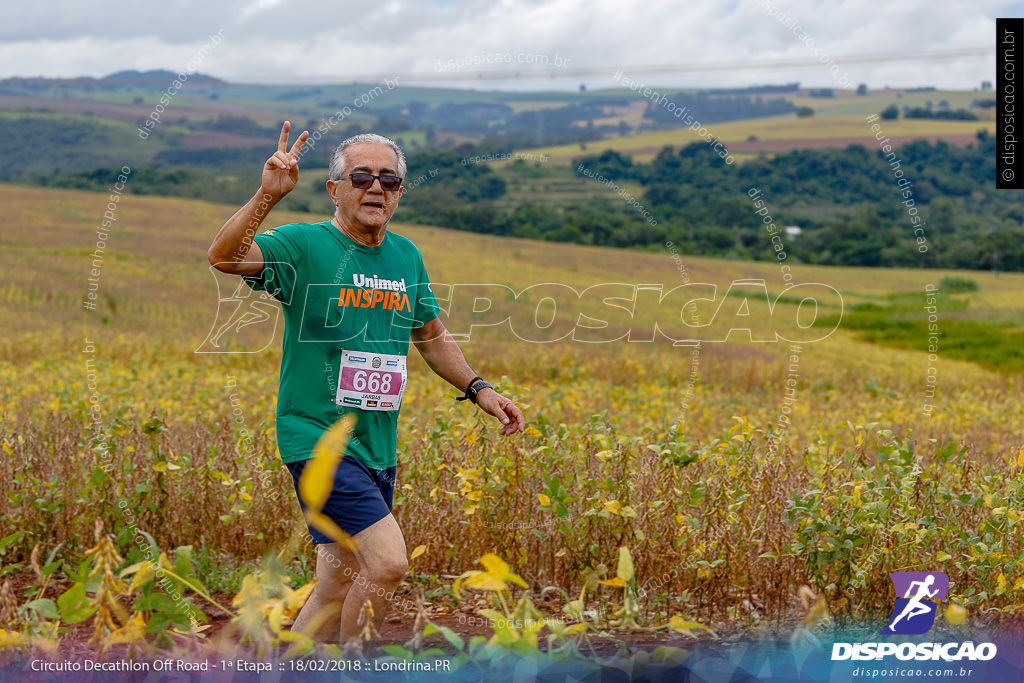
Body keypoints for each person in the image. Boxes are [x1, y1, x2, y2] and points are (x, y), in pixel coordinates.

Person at [207, 121, 525, 643]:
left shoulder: (406, 256)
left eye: (390, 180)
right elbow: (224, 256)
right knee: (386, 564)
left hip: (377, 445)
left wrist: (480, 389)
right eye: (361, 177)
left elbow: (432, 336)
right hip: (319, 438)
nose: (376, 188)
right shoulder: (304, 245)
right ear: (334, 189)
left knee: (334, 584)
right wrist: (268, 195)